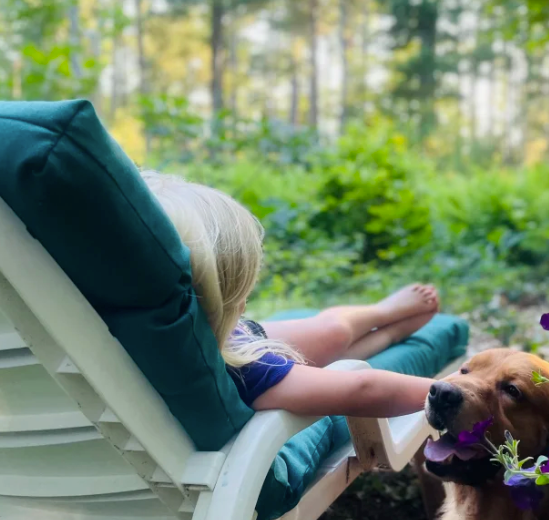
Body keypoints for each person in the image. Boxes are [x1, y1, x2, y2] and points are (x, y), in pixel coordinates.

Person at [143, 171, 439, 418]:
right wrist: (456, 394)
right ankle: (390, 335)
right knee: (332, 344)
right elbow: (362, 387)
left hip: (228, 336)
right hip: (236, 349)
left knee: (332, 332)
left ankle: (383, 313)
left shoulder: (130, 333)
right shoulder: (240, 372)